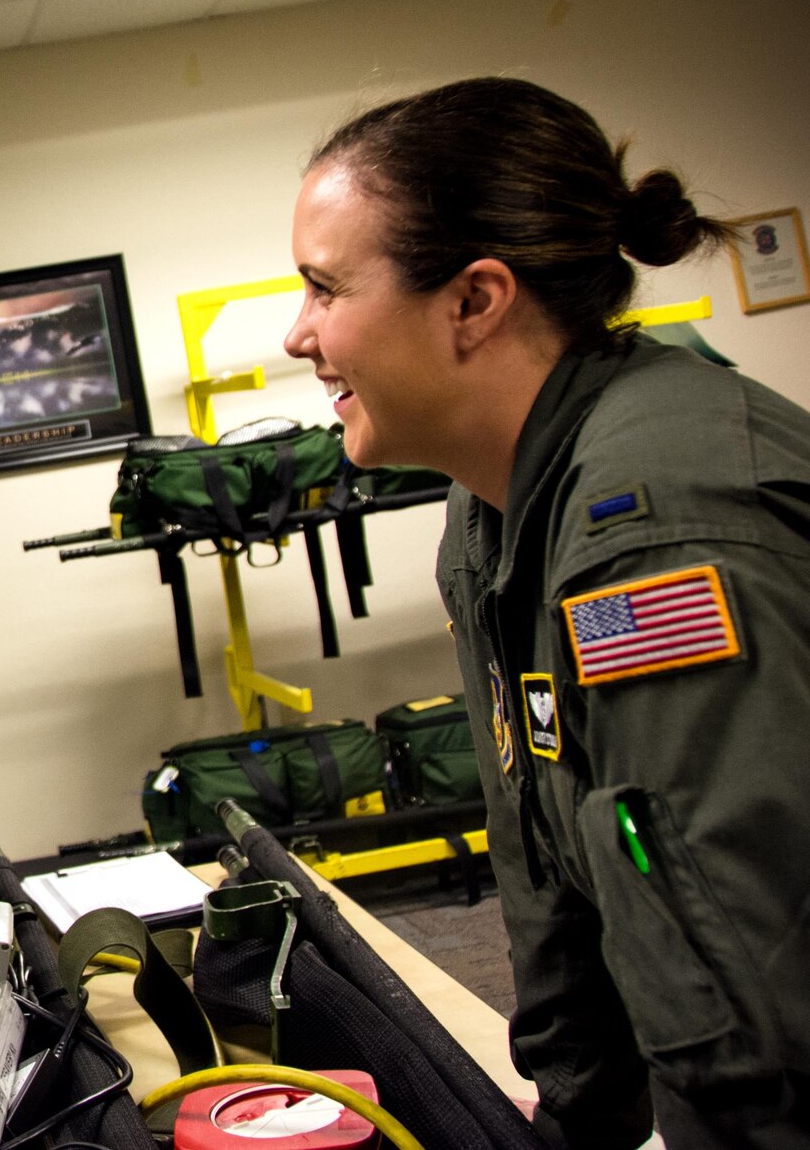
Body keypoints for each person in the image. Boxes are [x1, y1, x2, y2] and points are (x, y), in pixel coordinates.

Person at [282, 77, 810, 1149]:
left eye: (323, 288)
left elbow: (752, 970)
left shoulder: (653, 529)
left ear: (474, 300)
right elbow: (553, 850)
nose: (297, 335)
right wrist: (573, 1115)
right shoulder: (492, 512)